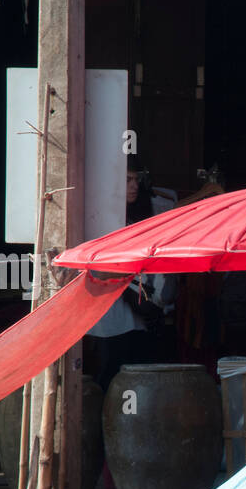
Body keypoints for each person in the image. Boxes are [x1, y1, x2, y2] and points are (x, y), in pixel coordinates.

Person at [85, 157, 178, 392]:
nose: (134, 185)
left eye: (136, 179)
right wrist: (129, 285)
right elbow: (96, 269)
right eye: (127, 180)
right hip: (109, 318)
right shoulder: (98, 218)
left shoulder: (139, 216)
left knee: (136, 379)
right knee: (109, 379)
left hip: (137, 318)